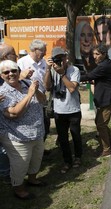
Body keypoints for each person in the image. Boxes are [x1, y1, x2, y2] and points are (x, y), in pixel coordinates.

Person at [0, 60, 46, 199]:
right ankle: (19, 188)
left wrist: (36, 90)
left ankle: (32, 179)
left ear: (19, 71)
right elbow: (13, 113)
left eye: (14, 70)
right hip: (17, 137)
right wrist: (29, 95)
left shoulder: (27, 83)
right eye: (6, 72)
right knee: (20, 164)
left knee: (36, 159)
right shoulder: (3, 92)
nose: (11, 74)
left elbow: (43, 100)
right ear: (1, 75)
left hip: (37, 132)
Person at [43, 47, 83, 174]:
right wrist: (48, 69)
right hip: (59, 111)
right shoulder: (52, 70)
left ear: (66, 57)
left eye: (62, 57)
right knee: (63, 138)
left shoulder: (74, 69)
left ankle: (78, 157)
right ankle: (67, 161)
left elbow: (72, 89)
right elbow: (47, 87)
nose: (61, 61)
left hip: (73, 110)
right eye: (57, 58)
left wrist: (62, 74)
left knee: (76, 135)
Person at [80, 44, 111, 157]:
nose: (94, 56)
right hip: (106, 98)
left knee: (101, 125)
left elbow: (89, 76)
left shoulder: (104, 66)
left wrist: (74, 76)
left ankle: (106, 150)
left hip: (109, 99)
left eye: (97, 54)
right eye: (93, 54)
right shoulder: (105, 64)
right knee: (100, 123)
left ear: (104, 54)